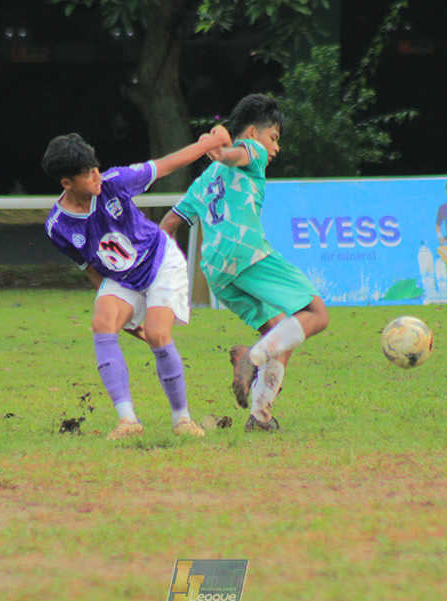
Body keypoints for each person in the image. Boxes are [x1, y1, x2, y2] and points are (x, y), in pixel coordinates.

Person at [41, 127, 230, 440]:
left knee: (157, 334)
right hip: (121, 280)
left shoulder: (114, 182)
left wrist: (210, 143)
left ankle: (182, 419)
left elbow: (166, 164)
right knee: (102, 322)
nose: (97, 177)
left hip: (159, 263)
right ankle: (128, 421)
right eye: (88, 174)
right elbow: (91, 269)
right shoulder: (57, 227)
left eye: (96, 168)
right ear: (67, 183)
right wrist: (121, 318)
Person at [161, 94, 330, 432]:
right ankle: (250, 358)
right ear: (253, 132)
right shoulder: (250, 151)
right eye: (274, 138)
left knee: (279, 332)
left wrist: (155, 269)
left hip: (214, 270)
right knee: (316, 314)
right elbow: (238, 154)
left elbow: (168, 224)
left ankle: (260, 416)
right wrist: (223, 151)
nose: (275, 148)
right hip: (246, 252)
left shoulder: (204, 179)